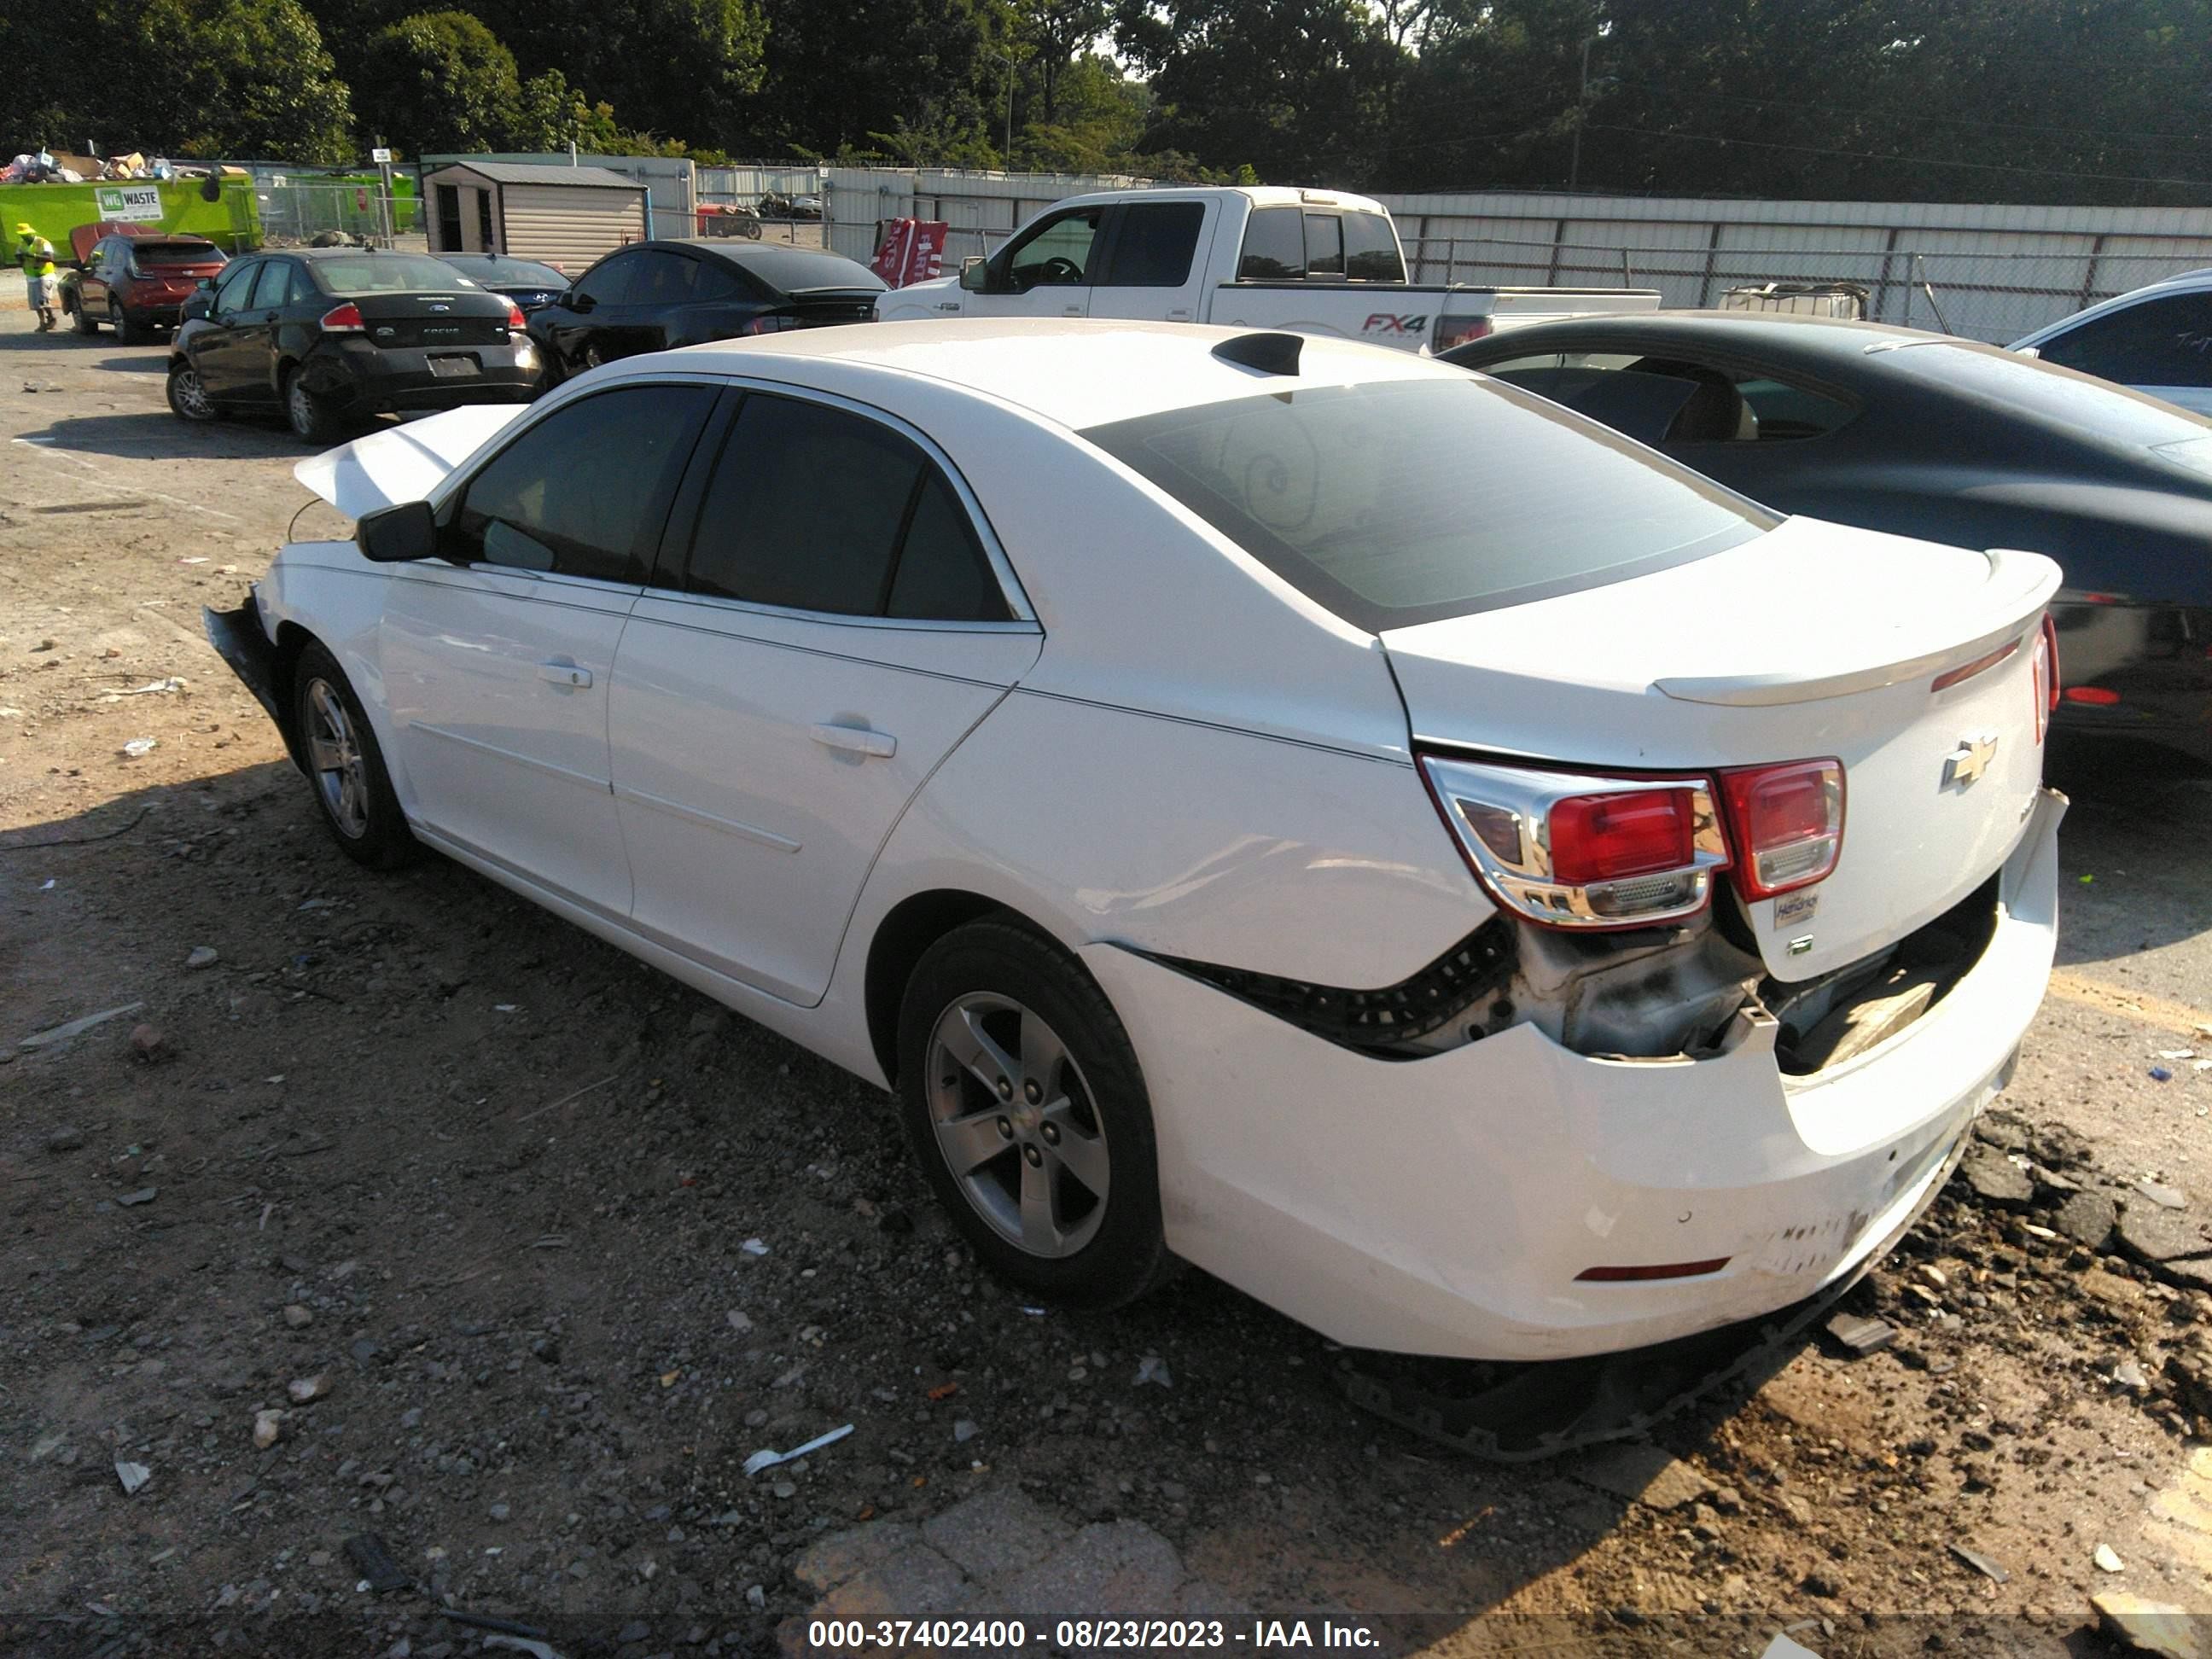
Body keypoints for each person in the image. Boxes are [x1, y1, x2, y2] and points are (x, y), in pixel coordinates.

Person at [15, 223, 59, 331]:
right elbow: (19, 258)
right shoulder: (22, 244)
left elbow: (50, 258)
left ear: (31, 233)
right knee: (35, 303)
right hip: (31, 275)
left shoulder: (42, 242)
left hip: (45, 274)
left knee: (43, 300)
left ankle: (51, 317)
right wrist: (19, 257)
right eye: (22, 235)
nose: (24, 237)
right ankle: (42, 322)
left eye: (26, 235)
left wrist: (33, 256)